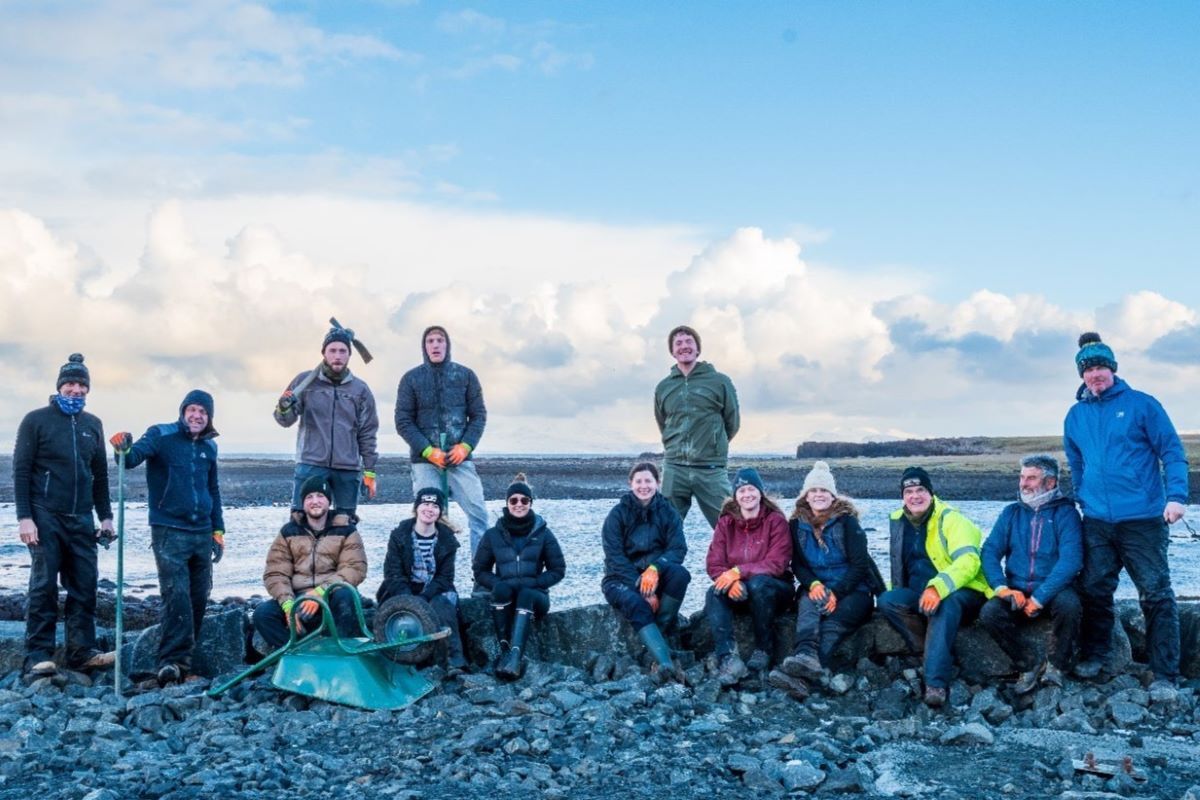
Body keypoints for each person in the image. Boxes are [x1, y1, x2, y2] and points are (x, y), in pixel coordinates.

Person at [1064, 332, 1189, 686]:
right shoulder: (1075, 416)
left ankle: (1165, 671)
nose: (1095, 374)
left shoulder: (1142, 404)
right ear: (1081, 375)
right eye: (1088, 369)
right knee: (1094, 589)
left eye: (1101, 366)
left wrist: (1176, 497)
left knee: (1155, 592)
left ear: (1113, 369)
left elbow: (1172, 452)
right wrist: (1083, 497)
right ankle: (1096, 657)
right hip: (1098, 521)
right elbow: (1076, 462)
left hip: (1144, 519)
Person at [110, 389, 225, 686]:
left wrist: (218, 530)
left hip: (201, 532)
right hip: (169, 530)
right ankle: (170, 663)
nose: (197, 416)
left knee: (199, 598)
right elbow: (131, 458)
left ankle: (185, 662)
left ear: (209, 416)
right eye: (192, 410)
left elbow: (213, 490)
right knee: (176, 597)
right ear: (183, 411)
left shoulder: (209, 448)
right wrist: (122, 446)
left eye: (203, 412)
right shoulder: (161, 435)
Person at [13, 354, 115, 677]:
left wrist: (107, 518)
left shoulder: (93, 425)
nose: (75, 390)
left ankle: (81, 652)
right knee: (44, 586)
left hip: (82, 518)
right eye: (70, 384)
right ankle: (37, 655)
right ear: (60, 387)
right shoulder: (36, 420)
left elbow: (99, 475)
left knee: (85, 585)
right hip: (45, 516)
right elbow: (20, 471)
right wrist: (24, 517)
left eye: (81, 385)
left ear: (87, 390)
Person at [877, 467, 991, 707]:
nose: (915, 496)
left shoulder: (953, 519)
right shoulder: (898, 520)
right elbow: (900, 566)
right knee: (887, 600)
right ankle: (927, 653)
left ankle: (935, 682)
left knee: (943, 603)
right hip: (920, 592)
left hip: (964, 591)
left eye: (920, 490)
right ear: (902, 495)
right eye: (909, 491)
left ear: (931, 493)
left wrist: (938, 587)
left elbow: (969, 562)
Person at [770, 461, 883, 700]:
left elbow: (860, 565)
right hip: (818, 584)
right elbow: (798, 564)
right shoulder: (796, 525)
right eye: (814, 491)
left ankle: (802, 677)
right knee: (808, 606)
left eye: (823, 491)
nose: (818, 495)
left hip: (854, 591)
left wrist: (837, 594)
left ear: (832, 496)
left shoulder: (847, 522)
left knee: (831, 625)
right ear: (806, 496)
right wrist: (813, 584)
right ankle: (805, 656)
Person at [979, 454, 1083, 693]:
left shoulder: (1066, 514)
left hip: (1054, 590)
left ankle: (1056, 666)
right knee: (990, 612)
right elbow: (990, 551)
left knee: (1070, 606)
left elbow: (1071, 560)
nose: (1023, 484)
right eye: (1022, 477)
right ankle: (1029, 664)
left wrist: (1040, 598)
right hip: (1016, 587)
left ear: (1050, 483)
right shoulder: (1011, 513)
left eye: (1031, 478)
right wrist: (1001, 587)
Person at [395, 325, 488, 556]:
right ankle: (431, 579)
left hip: (460, 459)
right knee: (428, 519)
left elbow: (478, 416)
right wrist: (428, 451)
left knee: (479, 516)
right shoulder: (411, 379)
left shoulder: (466, 376)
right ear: (424, 347)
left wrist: (465, 447)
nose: (435, 345)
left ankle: (482, 578)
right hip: (425, 462)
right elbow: (403, 421)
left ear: (447, 345)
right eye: (430, 341)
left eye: (440, 340)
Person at [274, 321, 379, 523]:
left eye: (342, 351)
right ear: (324, 353)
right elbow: (284, 420)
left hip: (347, 468)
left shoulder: (361, 390)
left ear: (349, 355)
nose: (337, 356)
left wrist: (370, 471)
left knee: (344, 525)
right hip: (310, 464)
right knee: (300, 521)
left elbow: (368, 433)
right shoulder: (304, 382)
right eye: (332, 350)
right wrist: (283, 408)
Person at [252, 475, 368, 649]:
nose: (315, 501)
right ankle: (297, 651)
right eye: (309, 497)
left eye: (320, 496)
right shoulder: (288, 532)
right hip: (298, 599)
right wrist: (288, 604)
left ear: (328, 501)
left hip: (331, 596)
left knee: (346, 595)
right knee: (262, 614)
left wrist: (321, 592)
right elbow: (275, 573)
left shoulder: (347, 530)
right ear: (303, 503)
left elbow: (354, 568)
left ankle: (339, 650)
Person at [600, 461, 691, 683]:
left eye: (648, 481)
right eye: (638, 481)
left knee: (681, 575)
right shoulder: (618, 514)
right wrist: (642, 588)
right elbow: (614, 556)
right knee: (637, 604)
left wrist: (656, 568)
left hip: (656, 574)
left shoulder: (668, 511)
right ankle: (665, 662)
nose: (644, 486)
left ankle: (653, 644)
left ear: (657, 483)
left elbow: (678, 548)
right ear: (630, 483)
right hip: (619, 578)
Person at [704, 467, 793, 685]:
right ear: (735, 496)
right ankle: (726, 657)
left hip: (774, 590)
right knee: (714, 592)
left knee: (759, 583)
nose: (747, 495)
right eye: (741, 491)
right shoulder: (726, 523)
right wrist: (730, 581)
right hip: (740, 589)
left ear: (760, 492)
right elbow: (714, 563)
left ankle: (764, 649)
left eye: (751, 489)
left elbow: (777, 563)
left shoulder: (776, 521)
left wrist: (738, 572)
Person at [472, 474, 566, 680]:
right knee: (501, 590)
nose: (519, 504)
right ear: (507, 503)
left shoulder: (543, 533)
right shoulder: (492, 535)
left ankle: (515, 658)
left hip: (535, 598)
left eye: (524, 500)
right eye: (514, 500)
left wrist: (536, 582)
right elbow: (480, 571)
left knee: (526, 594)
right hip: (505, 597)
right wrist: (498, 583)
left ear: (530, 503)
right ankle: (505, 651)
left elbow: (558, 569)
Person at [654, 325, 740, 527]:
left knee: (731, 526)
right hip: (674, 467)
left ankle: (737, 561)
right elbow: (663, 423)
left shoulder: (719, 381)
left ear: (698, 348)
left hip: (710, 467)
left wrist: (713, 445)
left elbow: (732, 422)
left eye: (689, 341)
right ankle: (660, 561)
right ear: (672, 351)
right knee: (663, 529)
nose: (684, 346)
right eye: (678, 343)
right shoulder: (664, 387)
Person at [377, 487, 468, 673]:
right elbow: (392, 573)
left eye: (435, 506)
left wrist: (425, 597)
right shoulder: (399, 535)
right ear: (416, 508)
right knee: (397, 612)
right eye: (425, 504)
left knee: (443, 607)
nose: (429, 509)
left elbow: (445, 577)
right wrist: (409, 598)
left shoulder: (447, 540)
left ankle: (453, 661)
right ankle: (396, 661)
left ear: (440, 511)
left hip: (434, 589)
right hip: (404, 588)